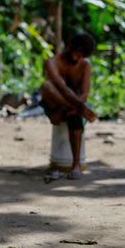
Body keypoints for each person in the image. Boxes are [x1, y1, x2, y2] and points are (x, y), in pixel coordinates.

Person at [39, 33, 98, 180]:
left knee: (75, 117)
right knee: (47, 86)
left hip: (73, 108)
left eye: (82, 56)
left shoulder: (85, 65)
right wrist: (80, 107)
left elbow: (85, 93)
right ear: (70, 48)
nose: (78, 58)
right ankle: (74, 110)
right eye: (77, 54)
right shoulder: (52, 63)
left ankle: (76, 164)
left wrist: (75, 107)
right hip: (56, 103)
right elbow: (62, 88)